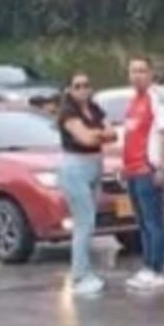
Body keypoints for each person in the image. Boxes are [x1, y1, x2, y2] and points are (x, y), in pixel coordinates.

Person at [57, 72, 117, 295]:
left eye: (86, 85)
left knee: (90, 223)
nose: (83, 89)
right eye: (77, 86)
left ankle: (85, 271)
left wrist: (97, 133)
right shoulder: (67, 113)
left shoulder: (94, 108)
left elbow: (113, 134)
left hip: (95, 165)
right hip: (75, 168)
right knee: (83, 222)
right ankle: (79, 275)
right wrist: (100, 134)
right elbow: (86, 139)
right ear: (69, 90)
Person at [121, 57, 164, 292]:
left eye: (142, 71)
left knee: (154, 222)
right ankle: (147, 266)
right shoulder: (133, 101)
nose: (137, 75)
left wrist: (162, 167)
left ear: (151, 74)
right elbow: (130, 136)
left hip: (147, 169)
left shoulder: (157, 98)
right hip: (132, 171)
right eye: (133, 71)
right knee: (141, 222)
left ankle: (157, 269)